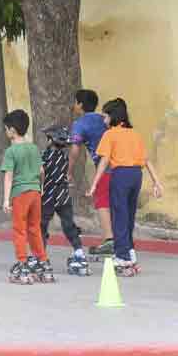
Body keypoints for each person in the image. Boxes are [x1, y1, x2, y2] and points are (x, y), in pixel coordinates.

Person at [86, 98, 164, 277]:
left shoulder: (110, 134)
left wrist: (94, 183)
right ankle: (130, 253)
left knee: (119, 216)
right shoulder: (134, 134)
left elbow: (104, 161)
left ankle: (121, 256)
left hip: (120, 175)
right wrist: (156, 182)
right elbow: (146, 160)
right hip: (136, 176)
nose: (104, 121)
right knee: (128, 215)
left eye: (105, 117)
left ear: (113, 117)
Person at [1, 110, 51, 284]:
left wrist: (6, 199)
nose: (6, 132)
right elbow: (41, 171)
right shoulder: (33, 148)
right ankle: (43, 263)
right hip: (35, 192)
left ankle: (22, 263)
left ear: (12, 130)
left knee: (19, 229)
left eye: (6, 129)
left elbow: (9, 175)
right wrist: (41, 188)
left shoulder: (11, 151)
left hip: (20, 193)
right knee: (34, 228)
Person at [69, 89, 114, 259]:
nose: (74, 105)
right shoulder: (104, 119)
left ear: (80, 104)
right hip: (121, 167)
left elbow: (74, 150)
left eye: (75, 102)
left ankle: (110, 240)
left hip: (104, 168)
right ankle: (119, 239)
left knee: (102, 203)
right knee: (115, 203)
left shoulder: (80, 124)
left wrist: (69, 170)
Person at [41, 125, 87, 275]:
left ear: (50, 140)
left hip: (47, 195)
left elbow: (40, 173)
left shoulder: (44, 156)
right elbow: (67, 175)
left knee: (42, 225)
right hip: (63, 196)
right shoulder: (64, 157)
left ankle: (40, 256)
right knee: (69, 224)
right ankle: (79, 252)